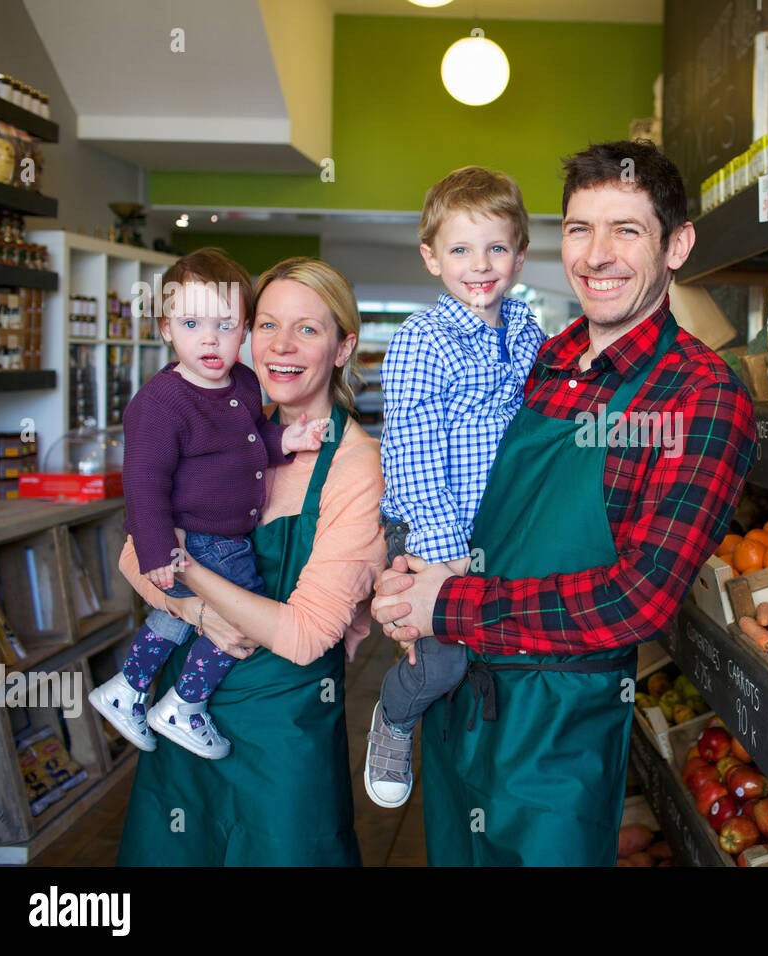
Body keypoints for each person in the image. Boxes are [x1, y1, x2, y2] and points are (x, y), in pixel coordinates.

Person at [372, 139, 757, 866]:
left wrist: (442, 604)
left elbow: (637, 600)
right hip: (460, 706)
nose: (597, 254)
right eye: (580, 229)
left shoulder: (699, 395)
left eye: (627, 231)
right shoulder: (537, 357)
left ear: (677, 245)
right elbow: (444, 472)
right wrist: (405, 572)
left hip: (557, 730)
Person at [114, 257, 386, 866]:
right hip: (182, 717)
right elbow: (133, 553)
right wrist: (198, 613)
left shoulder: (355, 465)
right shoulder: (223, 430)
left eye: (308, 330)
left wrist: (187, 574)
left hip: (281, 735)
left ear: (343, 348)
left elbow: (306, 634)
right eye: (267, 325)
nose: (281, 347)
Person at [90, 249, 326, 760]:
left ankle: (127, 690)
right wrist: (156, 553)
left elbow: (243, 444)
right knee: (243, 618)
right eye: (192, 322)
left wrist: (285, 441)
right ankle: (183, 703)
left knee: (177, 620)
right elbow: (144, 483)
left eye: (225, 324)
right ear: (166, 328)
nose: (209, 338)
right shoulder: (159, 404)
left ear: (244, 330)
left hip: (223, 533)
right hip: (199, 535)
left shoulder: (243, 382)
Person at [364, 166, 545, 808]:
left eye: (497, 247)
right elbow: (411, 458)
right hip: (432, 526)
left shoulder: (529, 333)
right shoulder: (422, 341)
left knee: (506, 649)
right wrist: (446, 561)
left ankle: (494, 775)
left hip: (503, 528)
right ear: (431, 257)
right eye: (461, 249)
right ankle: (393, 719)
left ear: (520, 255)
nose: (480, 264)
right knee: (442, 660)